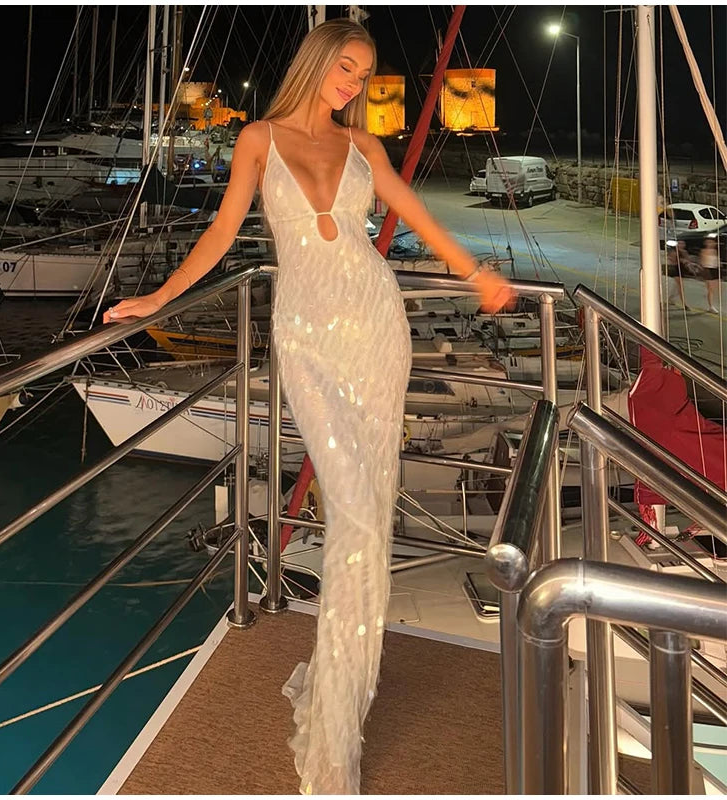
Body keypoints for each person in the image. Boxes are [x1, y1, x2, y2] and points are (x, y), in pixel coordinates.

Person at [105, 19, 514, 794]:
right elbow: (223, 234)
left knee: (369, 510)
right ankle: (333, 720)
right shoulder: (258, 139)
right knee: (354, 511)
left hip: (376, 328)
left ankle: (340, 701)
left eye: (363, 74)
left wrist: (476, 274)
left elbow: (416, 216)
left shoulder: (364, 147)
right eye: (346, 67)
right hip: (307, 338)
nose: (353, 83)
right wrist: (158, 298)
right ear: (318, 61)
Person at [699, 236, 720, 314]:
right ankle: (711, 306)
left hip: (714, 270)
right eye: (709, 242)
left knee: (714, 289)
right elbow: (702, 262)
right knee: (710, 289)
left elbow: (716, 261)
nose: (711, 244)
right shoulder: (703, 251)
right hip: (707, 269)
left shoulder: (715, 251)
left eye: (712, 242)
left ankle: (710, 301)